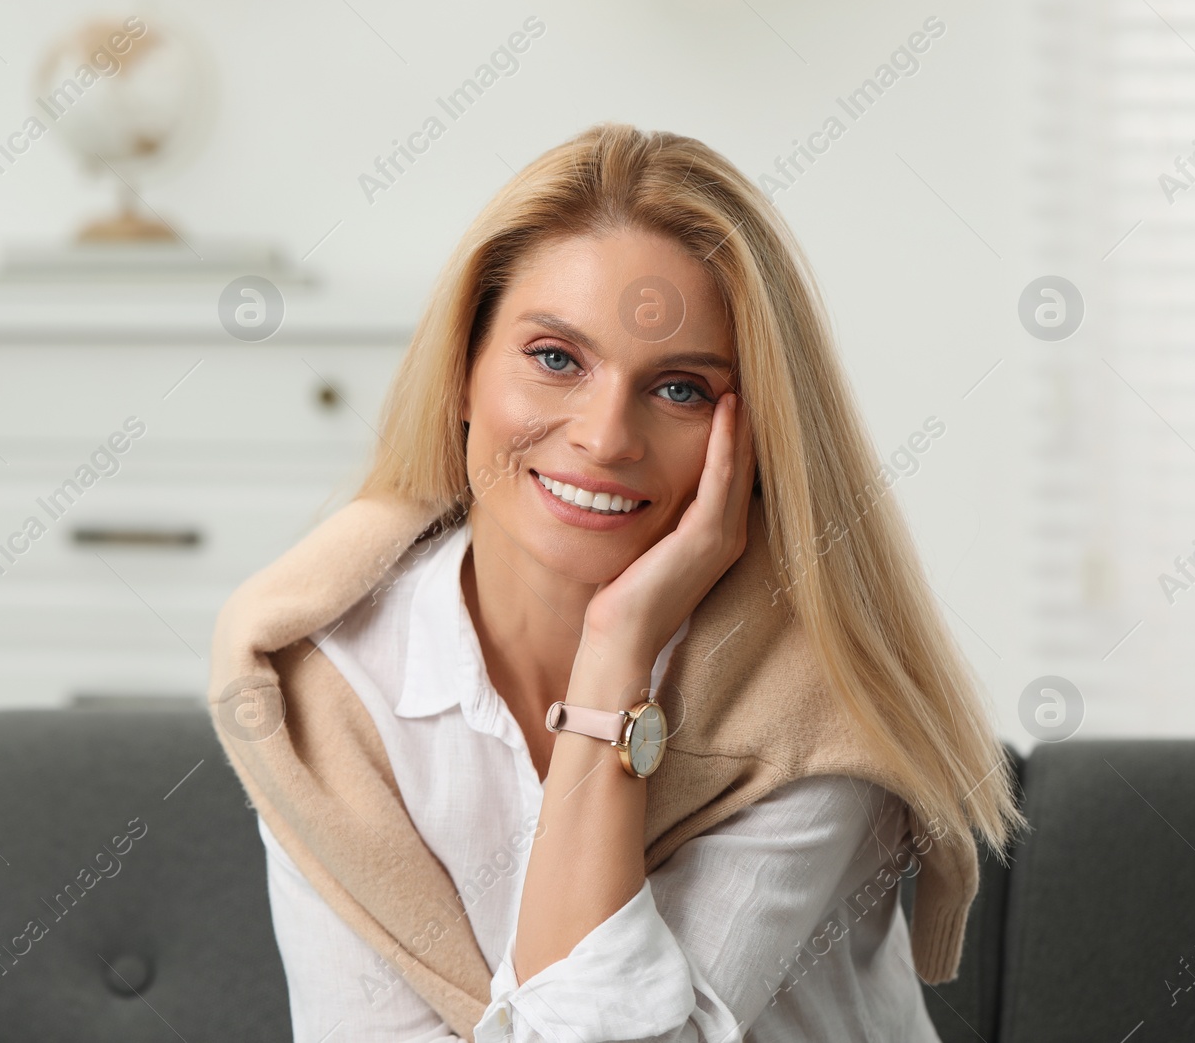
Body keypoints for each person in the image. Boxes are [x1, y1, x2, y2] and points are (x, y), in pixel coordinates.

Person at [218, 122, 1023, 1041]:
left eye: (679, 388)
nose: (606, 437)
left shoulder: (814, 700)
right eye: (556, 359)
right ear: (462, 374)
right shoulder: (325, 690)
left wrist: (614, 659)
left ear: (754, 445)